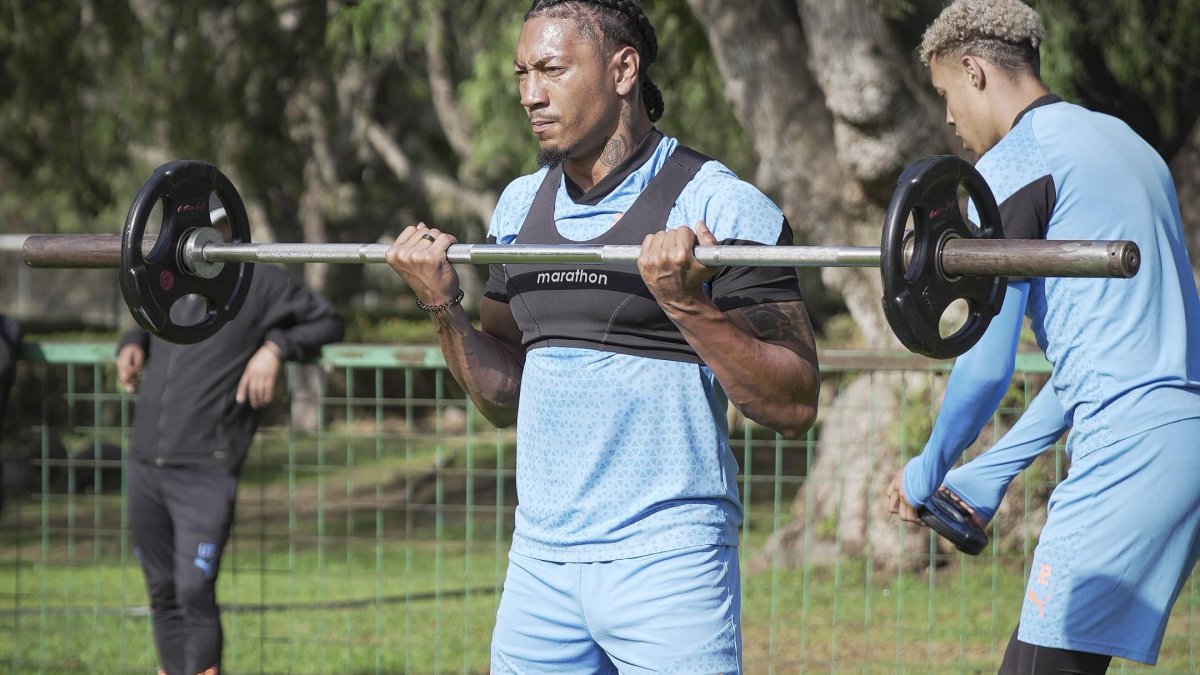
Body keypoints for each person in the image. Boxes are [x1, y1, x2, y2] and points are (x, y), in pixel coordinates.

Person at [385, 1, 820, 672]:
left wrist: (685, 303)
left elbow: (793, 403)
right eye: (522, 73)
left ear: (623, 70)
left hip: (669, 559)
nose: (530, 95)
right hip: (540, 564)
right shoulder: (518, 208)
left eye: (551, 70)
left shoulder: (719, 204)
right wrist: (442, 305)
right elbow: (502, 396)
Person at [884, 0, 1200, 672]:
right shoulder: (1129, 146)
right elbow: (1098, 365)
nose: (949, 119)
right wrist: (988, 472)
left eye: (944, 94)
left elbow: (984, 368)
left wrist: (925, 470)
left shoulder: (1015, 164)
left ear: (973, 72)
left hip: (1125, 454)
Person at [117, 207, 344, 675]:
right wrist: (131, 343)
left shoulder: (259, 283)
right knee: (161, 591)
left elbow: (327, 321)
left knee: (193, 590)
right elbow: (144, 320)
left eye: (216, 229)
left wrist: (275, 349)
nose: (203, 242)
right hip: (145, 462)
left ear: (233, 232)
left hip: (206, 467)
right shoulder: (168, 280)